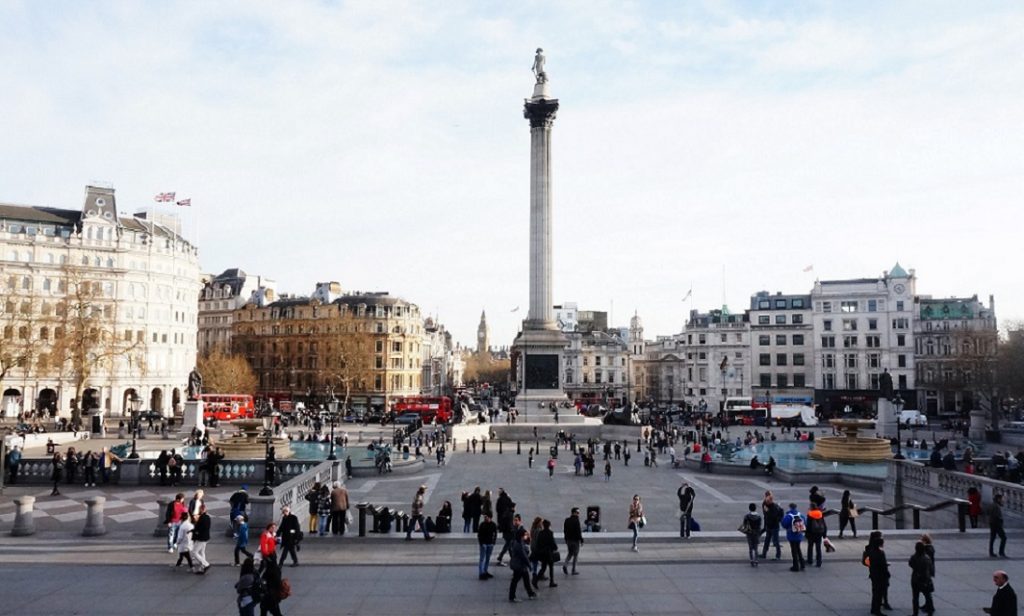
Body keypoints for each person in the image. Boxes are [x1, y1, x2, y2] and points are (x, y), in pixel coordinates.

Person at [865, 531, 892, 615]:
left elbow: (867, 561)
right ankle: (878, 608)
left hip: (874, 573)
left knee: (876, 591)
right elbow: (883, 565)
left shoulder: (870, 550)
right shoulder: (880, 553)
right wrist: (887, 571)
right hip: (880, 574)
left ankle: (875, 607)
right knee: (879, 591)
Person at [508, 526, 536, 602]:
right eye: (525, 535)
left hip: (521, 565)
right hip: (519, 566)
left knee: (526, 579)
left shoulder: (518, 541)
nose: (525, 536)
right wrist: (529, 565)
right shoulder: (519, 544)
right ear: (521, 535)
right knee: (515, 581)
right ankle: (512, 596)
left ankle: (530, 593)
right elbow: (524, 556)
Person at [908, 541, 935, 616]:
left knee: (915, 597)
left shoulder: (914, 557)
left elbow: (910, 564)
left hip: (915, 578)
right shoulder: (926, 558)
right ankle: (930, 612)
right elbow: (930, 569)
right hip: (924, 579)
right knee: (927, 596)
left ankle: (915, 613)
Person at [532, 519, 559, 588]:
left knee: (543, 568)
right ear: (549, 525)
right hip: (548, 553)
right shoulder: (550, 533)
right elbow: (552, 542)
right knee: (551, 567)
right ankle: (551, 582)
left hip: (542, 553)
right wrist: (555, 548)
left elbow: (538, 543)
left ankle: (536, 580)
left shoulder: (541, 533)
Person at [781, 502, 806, 572]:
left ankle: (796, 566)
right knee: (798, 549)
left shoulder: (789, 516)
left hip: (791, 535)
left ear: (790, 507)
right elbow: (805, 522)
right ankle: (802, 563)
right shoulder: (800, 514)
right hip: (799, 534)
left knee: (794, 550)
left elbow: (784, 524)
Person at [761, 491, 783, 560]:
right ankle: (764, 553)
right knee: (767, 540)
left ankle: (778, 556)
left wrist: (777, 520)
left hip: (774, 526)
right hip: (769, 525)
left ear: (770, 501)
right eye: (766, 501)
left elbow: (776, 514)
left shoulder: (774, 507)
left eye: (767, 501)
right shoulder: (766, 505)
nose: (766, 502)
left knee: (776, 541)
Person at [741, 503, 763, 567]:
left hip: (749, 533)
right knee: (756, 548)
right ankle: (756, 560)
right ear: (755, 508)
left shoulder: (747, 516)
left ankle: (751, 560)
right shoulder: (759, 516)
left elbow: (744, 525)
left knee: (750, 547)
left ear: (749, 508)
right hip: (756, 533)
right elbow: (759, 526)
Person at [562, 507, 583, 575]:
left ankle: (565, 565)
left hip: (568, 540)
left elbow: (565, 531)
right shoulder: (576, 520)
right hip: (575, 541)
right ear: (574, 512)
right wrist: (581, 540)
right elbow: (578, 531)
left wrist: (566, 539)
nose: (578, 514)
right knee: (575, 555)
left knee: (570, 553)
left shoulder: (567, 520)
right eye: (577, 512)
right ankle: (573, 570)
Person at [192, 504, 212, 574]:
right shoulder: (208, 517)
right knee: (202, 552)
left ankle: (206, 564)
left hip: (201, 538)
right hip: (206, 537)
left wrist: (195, 531)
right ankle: (202, 568)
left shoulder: (202, 518)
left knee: (194, 552)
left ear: (201, 510)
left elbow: (198, 528)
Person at [805, 502, 827, 567]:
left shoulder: (810, 514)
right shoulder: (820, 513)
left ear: (811, 507)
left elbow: (808, 525)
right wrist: (824, 534)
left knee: (810, 547)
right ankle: (819, 562)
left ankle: (810, 560)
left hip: (811, 533)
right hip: (819, 533)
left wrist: (806, 533)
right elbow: (824, 524)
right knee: (818, 548)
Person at [477, 512, 498, 580]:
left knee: (487, 559)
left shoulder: (493, 525)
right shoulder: (482, 524)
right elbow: (479, 535)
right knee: (482, 559)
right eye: (484, 517)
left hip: (490, 544)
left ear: (490, 518)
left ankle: (485, 571)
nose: (485, 518)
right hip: (484, 544)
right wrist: (481, 543)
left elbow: (495, 534)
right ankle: (481, 573)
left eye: (486, 517)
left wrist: (493, 542)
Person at [990, 493, 1007, 558]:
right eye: (1001, 499)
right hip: (997, 524)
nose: (1002, 500)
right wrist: (1000, 520)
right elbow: (997, 516)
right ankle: (1001, 552)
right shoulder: (996, 506)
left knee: (993, 538)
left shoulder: (992, 505)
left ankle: (991, 552)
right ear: (998, 499)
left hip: (992, 523)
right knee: (1004, 538)